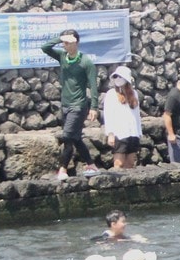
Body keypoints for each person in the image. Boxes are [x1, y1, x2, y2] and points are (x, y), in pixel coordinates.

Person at [42, 29, 99, 180]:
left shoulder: (86, 61)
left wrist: (94, 107)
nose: (66, 46)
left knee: (67, 136)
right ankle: (91, 165)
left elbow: (93, 85)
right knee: (75, 138)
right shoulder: (62, 57)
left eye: (69, 42)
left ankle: (62, 170)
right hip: (65, 105)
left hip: (79, 105)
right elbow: (45, 48)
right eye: (65, 43)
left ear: (77, 43)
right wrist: (59, 38)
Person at [102, 66, 143, 170]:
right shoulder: (111, 94)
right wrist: (110, 134)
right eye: (115, 76)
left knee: (130, 164)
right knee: (119, 163)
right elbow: (108, 115)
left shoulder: (134, 94)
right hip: (120, 133)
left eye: (120, 76)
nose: (117, 78)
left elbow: (137, 115)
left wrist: (139, 132)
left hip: (133, 132)